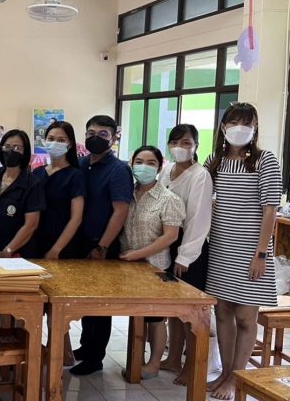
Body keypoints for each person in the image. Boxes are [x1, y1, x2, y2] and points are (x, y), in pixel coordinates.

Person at [204, 103, 281, 400]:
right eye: (234, 122)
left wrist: (261, 254)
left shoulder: (265, 160)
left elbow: (270, 210)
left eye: (246, 123)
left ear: (255, 127)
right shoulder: (215, 160)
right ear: (223, 127)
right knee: (223, 312)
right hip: (221, 248)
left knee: (246, 317)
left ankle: (238, 378)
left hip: (251, 251)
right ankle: (225, 373)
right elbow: (207, 199)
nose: (239, 128)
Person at [71, 115, 133, 376]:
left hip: (102, 246)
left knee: (100, 305)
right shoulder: (81, 164)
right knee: (85, 301)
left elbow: (121, 211)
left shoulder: (118, 170)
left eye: (102, 134)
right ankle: (85, 346)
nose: (95, 138)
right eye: (91, 133)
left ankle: (96, 357)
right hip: (79, 243)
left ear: (114, 137)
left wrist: (103, 247)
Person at [119, 145, 185, 379]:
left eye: (150, 163)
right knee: (138, 315)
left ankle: (154, 363)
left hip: (155, 266)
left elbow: (170, 236)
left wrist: (139, 254)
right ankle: (137, 358)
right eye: (139, 162)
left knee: (156, 317)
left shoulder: (169, 199)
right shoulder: (127, 194)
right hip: (128, 266)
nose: (143, 167)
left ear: (159, 168)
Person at [157, 124, 215, 386]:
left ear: (196, 146)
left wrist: (185, 256)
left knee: (192, 312)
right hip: (167, 244)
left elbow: (198, 220)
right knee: (174, 309)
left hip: (190, 249)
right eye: (175, 142)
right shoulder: (167, 170)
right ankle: (173, 358)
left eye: (186, 143)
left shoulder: (200, 175)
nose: (180, 147)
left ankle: (192, 364)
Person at [0, 129, 45, 258]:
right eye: (7, 147)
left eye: (17, 148)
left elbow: (31, 225)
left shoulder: (32, 183)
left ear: (25, 152)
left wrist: (9, 250)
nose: (11, 151)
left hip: (17, 253)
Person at [32, 121, 85, 259]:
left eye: (61, 140)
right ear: (44, 141)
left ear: (70, 144)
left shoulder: (75, 176)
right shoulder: (37, 173)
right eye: (51, 139)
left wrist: (56, 249)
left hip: (61, 246)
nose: (55, 143)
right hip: (34, 242)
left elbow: (76, 218)